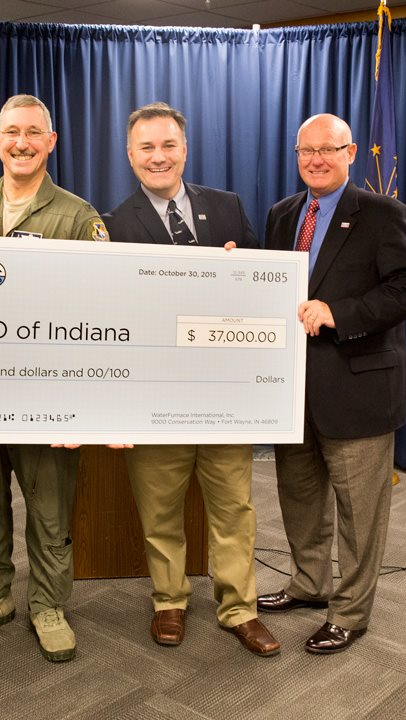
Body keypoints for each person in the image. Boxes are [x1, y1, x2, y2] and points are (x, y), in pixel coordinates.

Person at [102, 102, 280, 657]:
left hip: (225, 393)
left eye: (168, 145)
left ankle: (239, 608)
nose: (158, 157)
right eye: (147, 147)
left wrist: (240, 271)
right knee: (160, 511)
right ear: (130, 155)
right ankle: (169, 600)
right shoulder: (111, 224)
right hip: (155, 395)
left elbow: (261, 290)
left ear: (185, 149)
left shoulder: (227, 207)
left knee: (233, 508)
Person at [0, 94, 110, 663]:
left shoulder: (79, 218)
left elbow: (99, 311)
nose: (22, 142)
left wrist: (82, 407)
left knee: (49, 508)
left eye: (34, 132)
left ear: (51, 142)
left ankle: (48, 605)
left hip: (47, 394)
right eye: (12, 132)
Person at [258, 113, 406, 654]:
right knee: (300, 497)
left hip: (358, 390)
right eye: (306, 151)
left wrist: (341, 313)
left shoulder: (382, 213)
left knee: (360, 513)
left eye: (327, 150)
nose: (316, 160)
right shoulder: (283, 214)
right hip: (293, 390)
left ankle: (350, 613)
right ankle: (309, 584)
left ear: (350, 153)